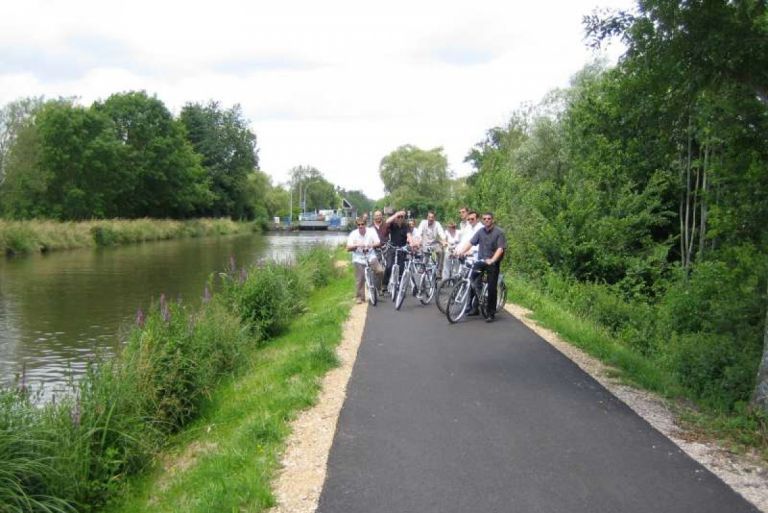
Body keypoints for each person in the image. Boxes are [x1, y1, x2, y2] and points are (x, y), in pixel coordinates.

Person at [455, 212, 506, 322]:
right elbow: (471, 242)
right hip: (481, 261)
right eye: (484, 219)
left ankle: (490, 313)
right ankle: (475, 307)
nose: (486, 220)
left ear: (493, 220)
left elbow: (500, 249)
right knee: (473, 280)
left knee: (492, 288)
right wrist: (461, 252)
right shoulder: (480, 231)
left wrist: (492, 260)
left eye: (489, 218)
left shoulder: (499, 232)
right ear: (482, 220)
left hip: (492, 263)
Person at [347, 216, 384, 304]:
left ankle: (377, 288)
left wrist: (371, 245)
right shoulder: (353, 234)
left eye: (362, 224)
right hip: (358, 258)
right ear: (357, 225)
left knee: (380, 271)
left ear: (365, 224)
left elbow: (378, 242)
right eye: (358, 225)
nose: (360, 226)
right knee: (360, 278)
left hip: (370, 255)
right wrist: (356, 245)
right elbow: (348, 247)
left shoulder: (371, 231)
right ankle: (360, 297)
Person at [383, 210, 415, 292]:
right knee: (389, 266)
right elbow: (387, 221)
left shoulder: (406, 226)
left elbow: (409, 235)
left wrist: (411, 243)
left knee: (401, 268)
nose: (400, 218)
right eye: (398, 217)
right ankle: (385, 284)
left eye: (402, 217)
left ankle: (400, 285)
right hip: (392, 248)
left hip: (402, 249)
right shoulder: (392, 225)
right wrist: (396, 214)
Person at [414, 211, 446, 279]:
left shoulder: (437, 224)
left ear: (434, 218)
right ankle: (423, 268)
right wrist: (418, 241)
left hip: (434, 243)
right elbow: (418, 233)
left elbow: (441, 233)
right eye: (429, 217)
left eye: (432, 217)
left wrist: (444, 241)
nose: (431, 219)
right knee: (425, 260)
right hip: (425, 243)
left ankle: (439, 271)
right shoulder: (423, 223)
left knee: (441, 251)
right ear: (427, 217)